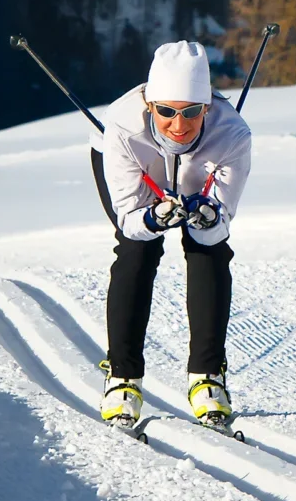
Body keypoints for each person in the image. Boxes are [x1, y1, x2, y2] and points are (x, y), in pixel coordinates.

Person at [90, 40, 253, 430]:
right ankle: (122, 379)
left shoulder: (232, 136)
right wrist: (154, 218)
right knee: (136, 252)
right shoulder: (123, 126)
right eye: (166, 111)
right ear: (150, 105)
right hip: (138, 162)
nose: (178, 126)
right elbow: (130, 218)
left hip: (200, 168)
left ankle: (208, 377)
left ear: (207, 108)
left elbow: (220, 227)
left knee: (207, 249)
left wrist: (209, 216)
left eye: (191, 112)